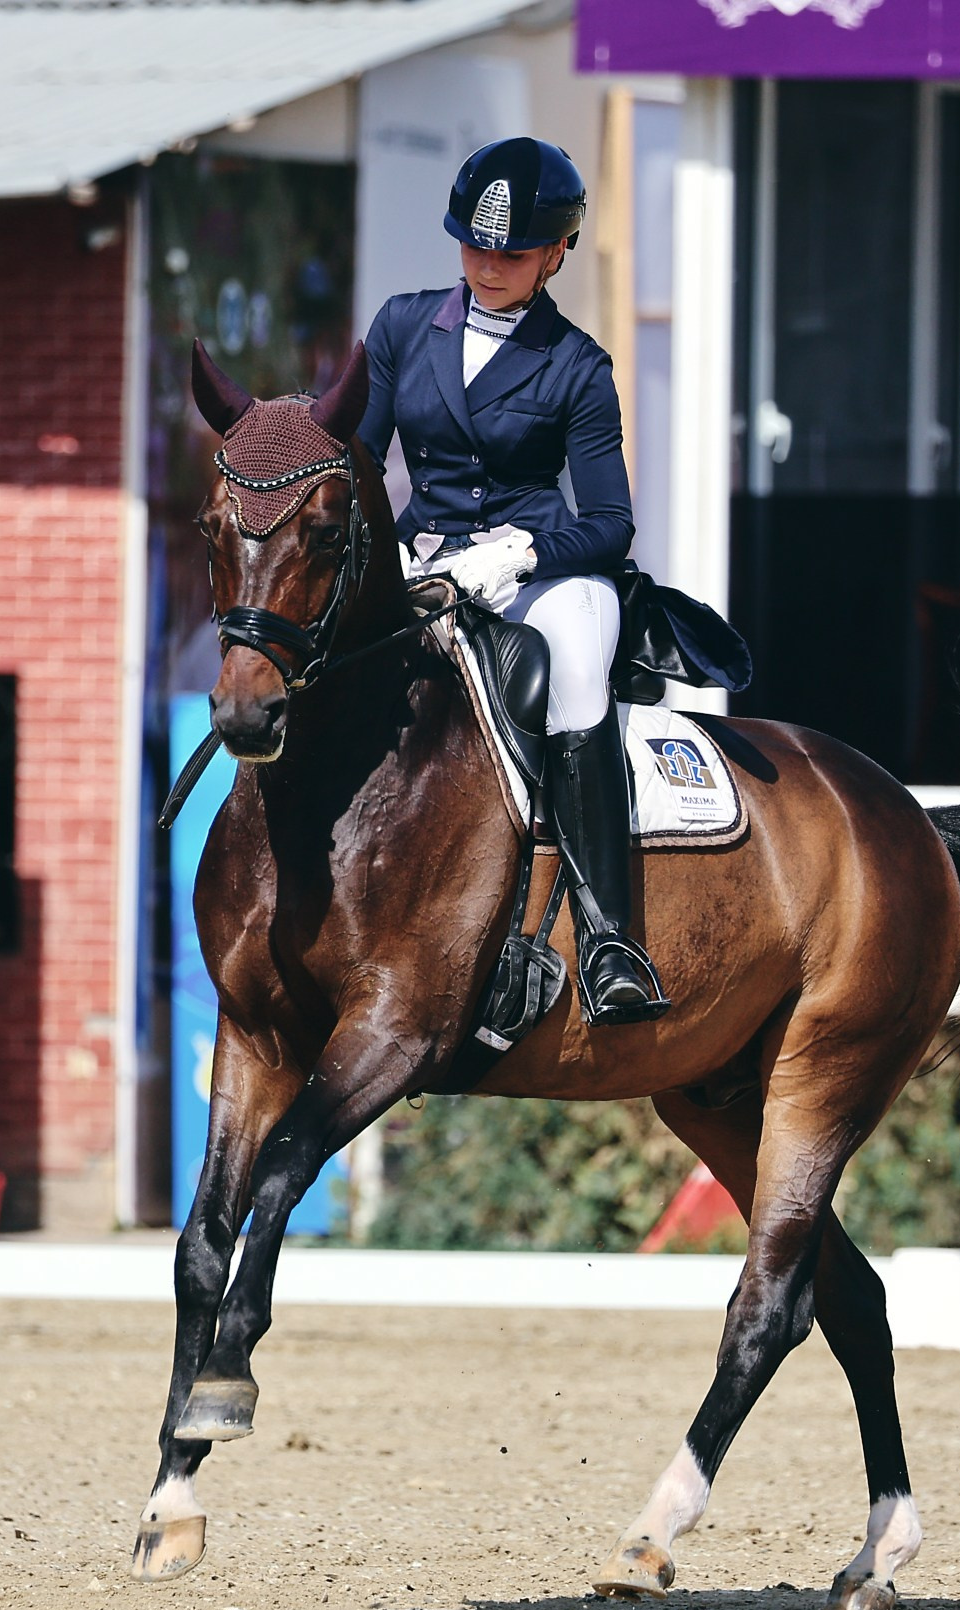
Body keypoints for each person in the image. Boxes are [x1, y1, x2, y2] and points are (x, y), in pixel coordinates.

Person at [354, 135, 667, 1024]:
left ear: (557, 253)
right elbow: (361, 464)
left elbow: (610, 523)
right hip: (425, 559)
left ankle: (611, 939)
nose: (489, 266)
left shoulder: (578, 365)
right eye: (474, 246)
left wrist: (522, 553)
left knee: (573, 669)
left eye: (514, 253)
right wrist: (393, 550)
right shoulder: (402, 326)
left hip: (541, 569)